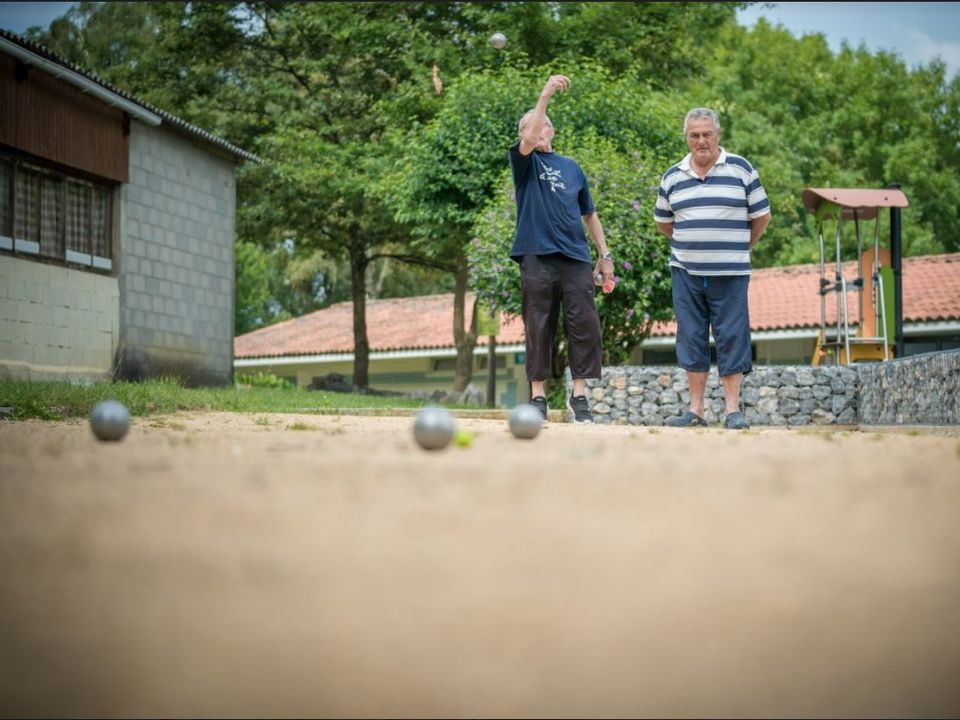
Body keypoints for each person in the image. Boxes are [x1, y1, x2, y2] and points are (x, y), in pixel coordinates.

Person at [654, 107, 771, 430]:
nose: (701, 140)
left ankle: (733, 411)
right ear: (687, 138)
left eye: (707, 134)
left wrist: (742, 246)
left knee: (732, 337)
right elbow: (664, 223)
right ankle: (696, 411)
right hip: (686, 273)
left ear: (718, 135)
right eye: (695, 135)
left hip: (731, 272)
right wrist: (692, 243)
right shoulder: (672, 176)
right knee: (691, 338)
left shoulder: (741, 169)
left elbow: (762, 217)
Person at [509, 74, 614, 424]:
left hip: (575, 259)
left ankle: (579, 394)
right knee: (538, 325)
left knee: (584, 324)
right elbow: (526, 136)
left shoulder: (572, 167)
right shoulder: (524, 163)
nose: (536, 130)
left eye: (541, 126)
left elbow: (591, 214)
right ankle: (538, 397)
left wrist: (605, 256)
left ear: (551, 131)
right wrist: (545, 95)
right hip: (536, 255)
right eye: (530, 126)